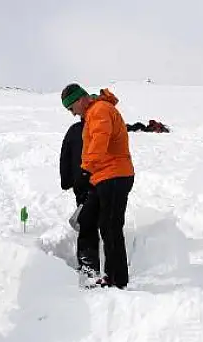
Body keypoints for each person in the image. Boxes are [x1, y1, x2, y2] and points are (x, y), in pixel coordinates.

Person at [61, 83, 135, 289]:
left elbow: (99, 143)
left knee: (111, 227)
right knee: (105, 225)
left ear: (80, 100)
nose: (72, 114)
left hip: (114, 174)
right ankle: (112, 276)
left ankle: (117, 280)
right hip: (106, 175)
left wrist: (86, 171)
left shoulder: (100, 110)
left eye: (71, 108)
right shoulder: (96, 110)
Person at [59, 119, 100, 277]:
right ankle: (92, 263)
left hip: (83, 182)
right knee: (97, 221)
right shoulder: (100, 127)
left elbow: (65, 156)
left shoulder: (75, 130)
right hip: (99, 181)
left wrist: (66, 181)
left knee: (87, 223)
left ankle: (88, 265)